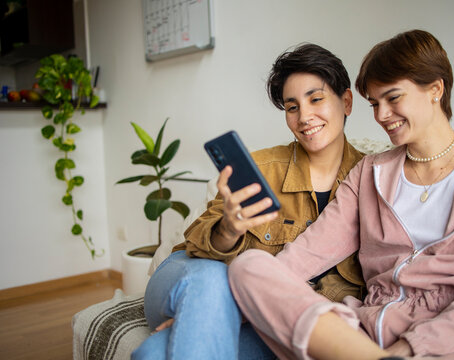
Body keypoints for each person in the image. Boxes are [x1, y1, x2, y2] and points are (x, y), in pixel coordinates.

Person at [228, 29, 454, 360]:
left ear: (435, 89)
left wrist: (409, 348)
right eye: (375, 104)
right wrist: (216, 310)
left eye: (393, 98)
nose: (381, 116)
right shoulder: (369, 173)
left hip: (450, 342)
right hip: (362, 331)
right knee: (250, 265)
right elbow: (307, 254)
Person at [131, 43, 367, 359]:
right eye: (292, 106)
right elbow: (197, 248)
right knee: (212, 281)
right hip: (195, 275)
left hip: (272, 314)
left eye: (316, 99)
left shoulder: (373, 179)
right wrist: (228, 229)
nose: (304, 116)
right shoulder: (260, 167)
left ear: (346, 101)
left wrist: (207, 318)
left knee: (155, 353)